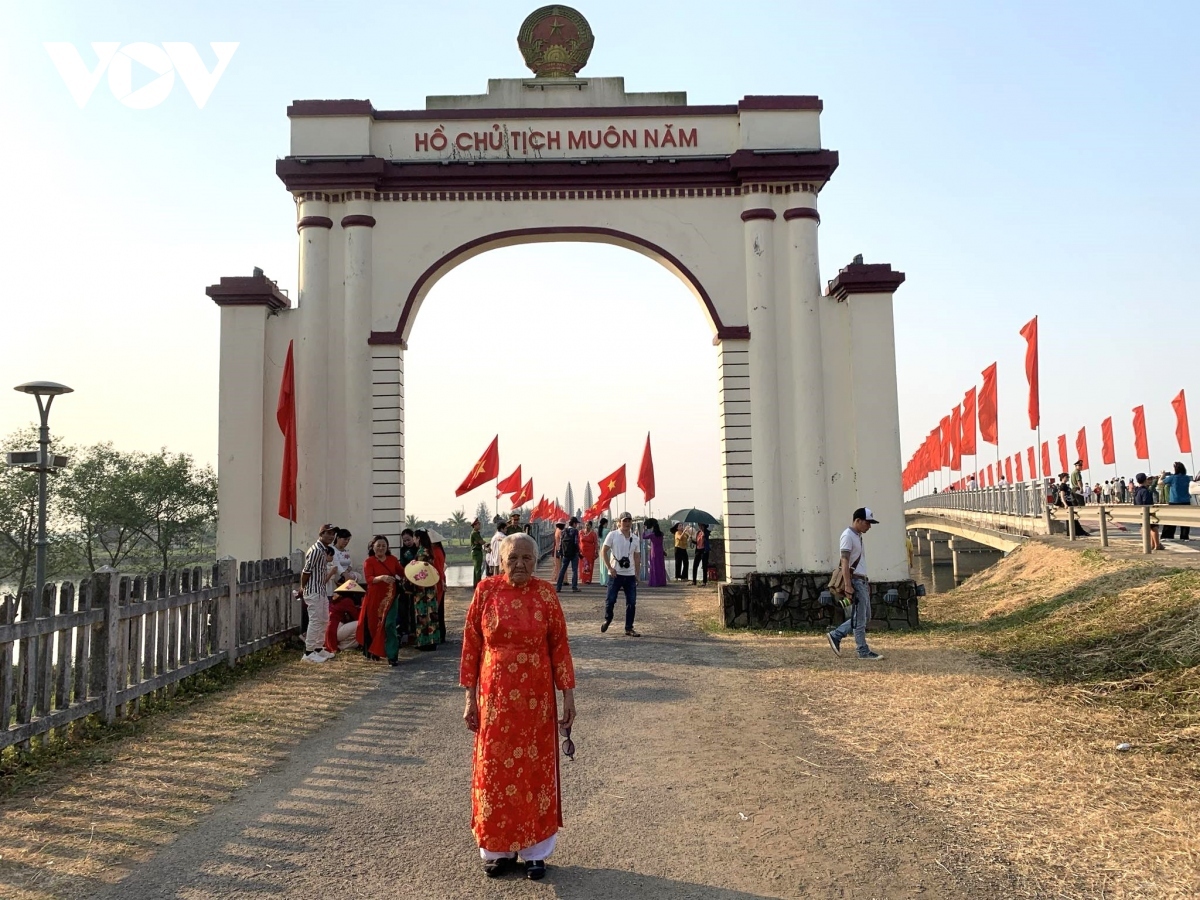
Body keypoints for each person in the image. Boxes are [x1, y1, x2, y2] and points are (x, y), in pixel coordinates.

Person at [460, 532, 576, 881]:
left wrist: (567, 695)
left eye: (527, 557)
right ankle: (497, 850)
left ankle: (535, 852)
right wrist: (469, 697)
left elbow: (559, 645)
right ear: (500, 559)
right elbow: (471, 647)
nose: (521, 564)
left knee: (534, 771)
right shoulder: (486, 592)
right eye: (513, 558)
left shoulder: (545, 594)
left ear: (535, 560)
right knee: (493, 771)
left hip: (536, 702)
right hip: (494, 701)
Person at [826, 507, 884, 661]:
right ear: (858, 521)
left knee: (864, 616)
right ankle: (862, 650)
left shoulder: (857, 536)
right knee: (860, 618)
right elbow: (844, 561)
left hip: (861, 580)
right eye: (867, 522)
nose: (869, 526)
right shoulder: (847, 536)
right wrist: (848, 585)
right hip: (856, 581)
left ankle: (836, 635)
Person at [358, 535, 406, 664]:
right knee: (375, 625)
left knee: (390, 624)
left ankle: (392, 656)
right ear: (373, 547)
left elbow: (403, 573)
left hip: (391, 596)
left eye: (383, 545)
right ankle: (376, 651)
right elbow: (369, 579)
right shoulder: (369, 562)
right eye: (378, 545)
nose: (381, 548)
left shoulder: (393, 560)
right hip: (375, 598)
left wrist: (415, 568)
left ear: (387, 547)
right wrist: (382, 577)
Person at [300, 523, 338, 663]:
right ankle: (308, 652)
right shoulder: (316, 550)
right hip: (313, 590)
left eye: (333, 534)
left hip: (321, 589)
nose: (331, 536)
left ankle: (318, 648)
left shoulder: (324, 550)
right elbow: (306, 571)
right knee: (315, 620)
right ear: (321, 534)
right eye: (328, 533)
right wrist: (303, 587)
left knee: (324, 619)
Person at [601, 512, 642, 636]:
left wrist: (637, 574)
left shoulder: (635, 538)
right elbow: (604, 551)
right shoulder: (613, 535)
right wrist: (609, 567)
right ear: (619, 522)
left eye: (629, 521)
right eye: (624, 521)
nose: (627, 523)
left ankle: (629, 627)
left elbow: (637, 557)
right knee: (611, 600)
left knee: (632, 602)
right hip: (615, 573)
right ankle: (608, 619)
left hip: (629, 575)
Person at [412, 530, 443, 650]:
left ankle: (424, 642)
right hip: (431, 586)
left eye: (414, 538)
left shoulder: (421, 552)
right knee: (432, 615)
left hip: (421, 587)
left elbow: (418, 571)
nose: (414, 541)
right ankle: (433, 641)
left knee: (422, 614)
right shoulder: (429, 550)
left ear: (418, 538)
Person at [324, 579, 363, 654]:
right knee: (360, 624)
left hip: (329, 629)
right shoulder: (347, 601)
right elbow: (356, 616)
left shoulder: (337, 600)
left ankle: (342, 645)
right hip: (336, 628)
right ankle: (344, 647)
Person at [1161, 462, 1192, 541]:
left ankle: (1168, 535)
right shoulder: (1187, 478)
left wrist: (1162, 475)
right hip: (1186, 501)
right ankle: (1184, 536)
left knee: (1171, 519)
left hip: (1174, 501)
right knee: (1185, 520)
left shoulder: (1172, 477)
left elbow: (1160, 483)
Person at [1133, 473, 1163, 551]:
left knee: (1144, 527)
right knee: (1154, 527)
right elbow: (1147, 502)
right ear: (1145, 480)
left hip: (1140, 512)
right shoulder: (1145, 491)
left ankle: (1150, 544)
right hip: (1147, 512)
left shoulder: (1136, 491)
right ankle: (1156, 545)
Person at [556, 517, 581, 593]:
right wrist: (578, 552)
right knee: (574, 570)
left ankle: (558, 587)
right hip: (573, 554)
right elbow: (576, 542)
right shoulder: (575, 531)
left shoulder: (564, 531)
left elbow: (560, 543)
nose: (576, 525)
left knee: (562, 570)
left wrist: (560, 552)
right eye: (576, 523)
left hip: (565, 554)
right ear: (574, 523)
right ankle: (574, 587)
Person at [642, 518, 667, 587]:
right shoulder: (661, 534)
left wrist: (644, 530)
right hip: (660, 551)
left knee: (654, 566)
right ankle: (662, 581)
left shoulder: (652, 535)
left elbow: (643, 536)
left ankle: (655, 582)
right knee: (660, 566)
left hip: (654, 551)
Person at [470, 519, 487, 586]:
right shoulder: (474, 533)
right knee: (478, 569)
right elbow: (481, 542)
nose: (479, 526)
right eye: (478, 524)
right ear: (474, 526)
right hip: (476, 552)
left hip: (477, 552)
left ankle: (476, 584)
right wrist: (487, 543)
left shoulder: (476, 533)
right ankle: (478, 584)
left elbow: (480, 542)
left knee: (476, 568)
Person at [596, 518, 610, 587]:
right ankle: (606, 581)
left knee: (602, 565)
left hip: (601, 548)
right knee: (607, 564)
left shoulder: (599, 531)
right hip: (607, 548)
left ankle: (602, 581)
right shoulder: (607, 531)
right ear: (605, 523)